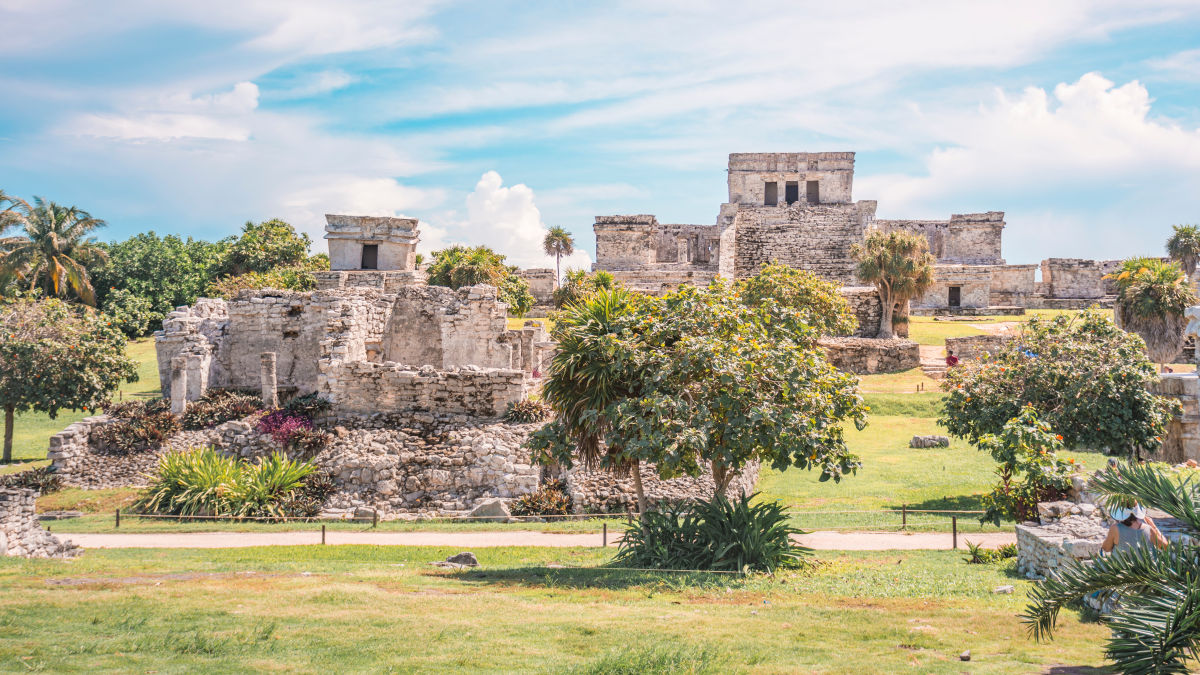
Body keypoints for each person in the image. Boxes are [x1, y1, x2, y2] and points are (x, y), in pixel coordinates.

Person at [1101, 504, 1169, 553]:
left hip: (1122, 570)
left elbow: (1106, 548)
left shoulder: (1115, 528)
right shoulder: (1148, 529)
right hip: (1145, 570)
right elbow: (1165, 546)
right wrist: (1153, 526)